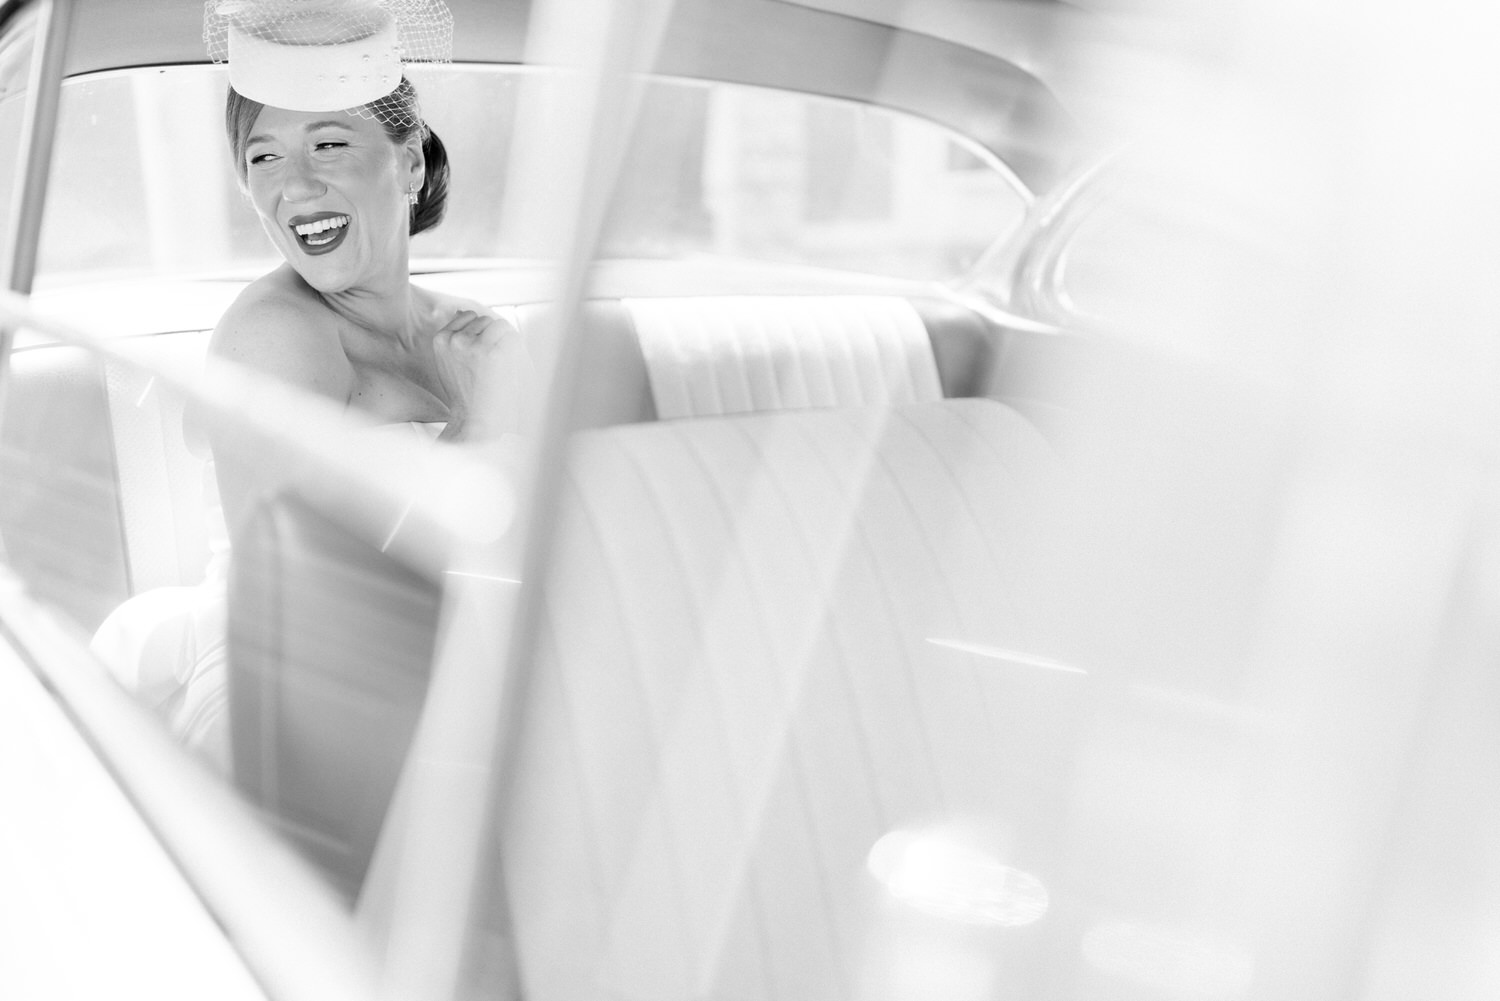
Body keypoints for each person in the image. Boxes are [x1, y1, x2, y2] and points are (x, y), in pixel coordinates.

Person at [92, 0, 518, 771]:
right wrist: (471, 435)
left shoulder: (475, 330)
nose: (296, 187)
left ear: (410, 161)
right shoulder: (272, 337)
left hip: (457, 667)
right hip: (297, 702)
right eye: (265, 158)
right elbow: (301, 618)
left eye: (328, 143)